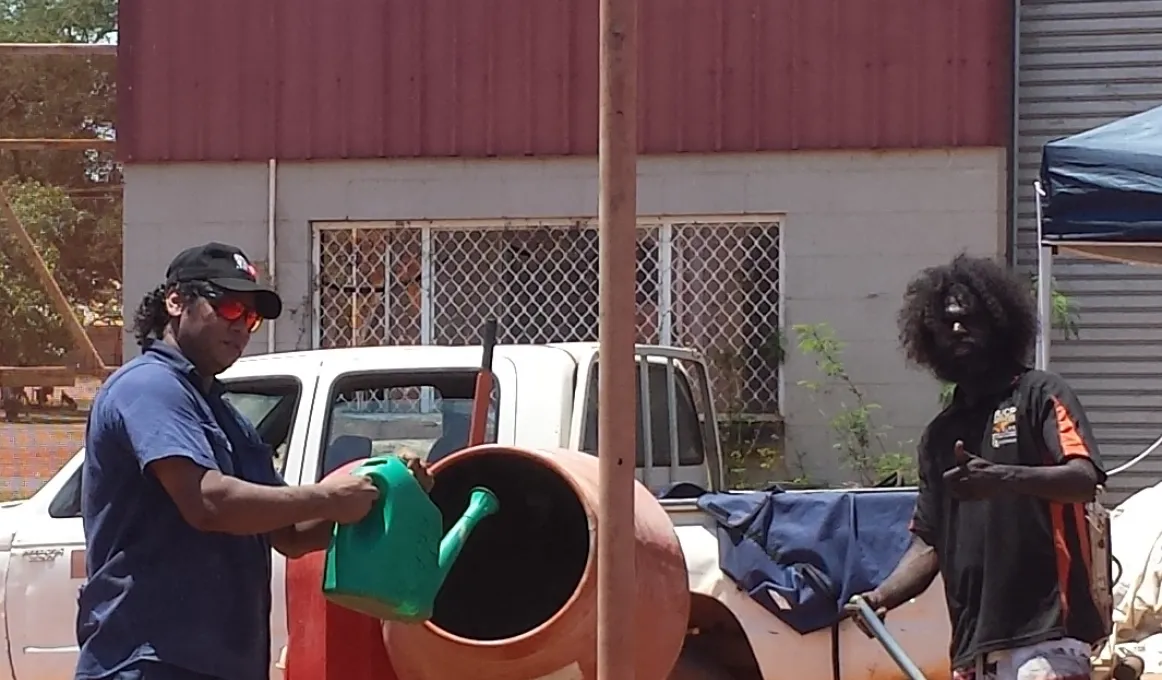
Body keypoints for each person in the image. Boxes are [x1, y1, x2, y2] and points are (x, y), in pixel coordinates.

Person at [75, 242, 433, 680]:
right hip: (149, 656)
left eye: (250, 316)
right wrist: (330, 497)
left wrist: (387, 491)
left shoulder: (225, 416)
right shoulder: (149, 387)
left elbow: (292, 534)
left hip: (222, 663)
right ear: (175, 301)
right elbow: (208, 503)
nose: (241, 326)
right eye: (227, 307)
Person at [849, 254, 1108, 680]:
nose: (957, 329)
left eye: (970, 318)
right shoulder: (940, 435)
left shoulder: (1040, 394)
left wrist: (1003, 477)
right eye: (946, 323)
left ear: (1000, 323)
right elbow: (929, 541)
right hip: (973, 647)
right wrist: (882, 596)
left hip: (1046, 634)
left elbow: (1083, 480)